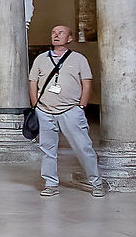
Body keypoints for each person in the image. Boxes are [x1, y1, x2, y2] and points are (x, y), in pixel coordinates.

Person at [28, 24, 103, 197]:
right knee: (48, 150)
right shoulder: (41, 59)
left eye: (61, 33)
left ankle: (96, 182)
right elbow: (33, 82)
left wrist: (81, 106)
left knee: (83, 147)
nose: (56, 35)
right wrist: (36, 105)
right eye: (53, 32)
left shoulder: (79, 59)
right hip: (45, 111)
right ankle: (50, 183)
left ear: (69, 38)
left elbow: (87, 83)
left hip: (70, 110)